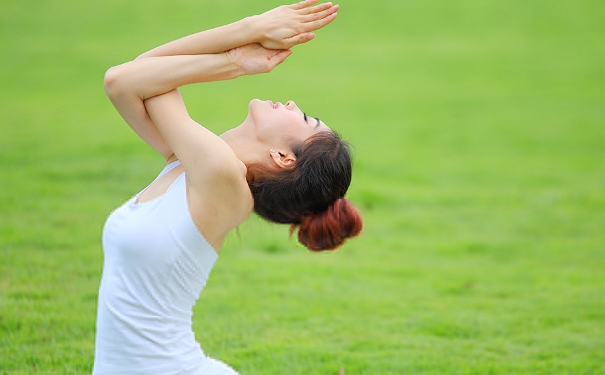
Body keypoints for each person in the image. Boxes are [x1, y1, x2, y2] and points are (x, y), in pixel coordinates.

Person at [93, 0, 362, 373]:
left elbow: (125, 79)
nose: (291, 103)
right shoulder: (186, 164)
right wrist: (250, 30)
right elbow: (139, 73)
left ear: (284, 156)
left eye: (302, 117)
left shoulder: (222, 178)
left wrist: (240, 55)